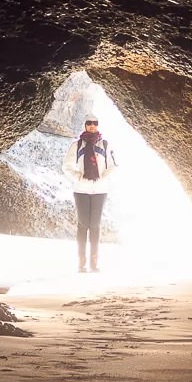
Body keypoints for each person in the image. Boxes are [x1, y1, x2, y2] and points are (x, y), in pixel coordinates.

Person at [63, 116, 116, 273]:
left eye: (95, 123)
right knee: (83, 225)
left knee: (95, 226)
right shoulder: (77, 145)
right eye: (89, 123)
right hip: (81, 189)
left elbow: (114, 166)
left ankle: (94, 262)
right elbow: (66, 166)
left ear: (98, 125)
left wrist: (103, 177)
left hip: (100, 190)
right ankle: (81, 262)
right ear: (85, 125)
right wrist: (79, 177)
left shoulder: (105, 144)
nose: (92, 126)